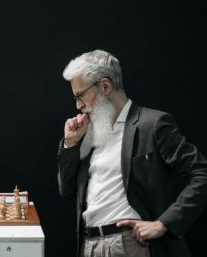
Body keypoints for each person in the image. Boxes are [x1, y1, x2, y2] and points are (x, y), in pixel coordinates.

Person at [57, 50, 207, 257]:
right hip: (88, 245)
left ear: (105, 86)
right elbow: (66, 190)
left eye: (80, 95)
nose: (78, 106)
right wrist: (71, 144)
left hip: (130, 245)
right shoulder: (89, 133)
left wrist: (164, 223)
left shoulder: (152, 125)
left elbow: (202, 173)